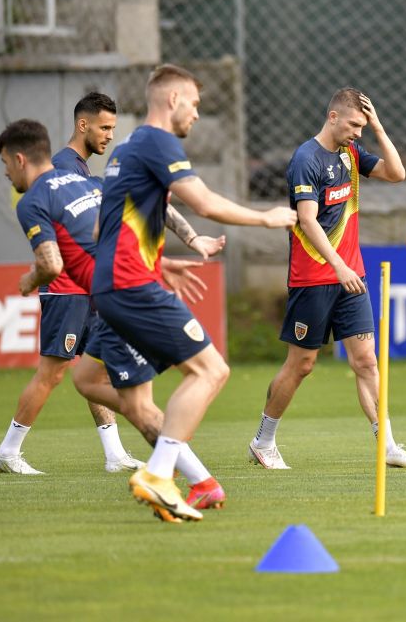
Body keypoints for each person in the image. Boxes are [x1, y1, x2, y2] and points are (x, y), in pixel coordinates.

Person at [93, 64, 296, 523]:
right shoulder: (157, 141)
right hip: (130, 284)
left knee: (91, 380)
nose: (198, 115)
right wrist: (265, 217)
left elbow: (111, 226)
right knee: (210, 371)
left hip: (113, 286)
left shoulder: (126, 150)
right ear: (173, 100)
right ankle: (159, 473)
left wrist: (161, 262)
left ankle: (197, 481)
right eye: (195, 104)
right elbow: (202, 202)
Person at [0, 119, 227, 509]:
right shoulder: (90, 183)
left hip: (118, 299)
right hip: (115, 294)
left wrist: (28, 279)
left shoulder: (34, 200)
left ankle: (191, 479)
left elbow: (51, 264)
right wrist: (180, 245)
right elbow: (148, 207)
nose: (5, 171)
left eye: (4, 162)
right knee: (86, 378)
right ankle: (135, 458)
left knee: (142, 403)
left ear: (19, 159)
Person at [248, 88, 406, 472]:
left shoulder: (352, 153)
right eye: (354, 124)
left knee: (366, 362)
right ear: (332, 117)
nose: (358, 133)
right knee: (303, 364)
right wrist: (338, 267)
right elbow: (307, 220)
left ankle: (388, 445)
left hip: (352, 278)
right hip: (313, 278)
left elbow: (397, 173)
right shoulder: (305, 159)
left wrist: (377, 125)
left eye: (363, 125)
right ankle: (263, 440)